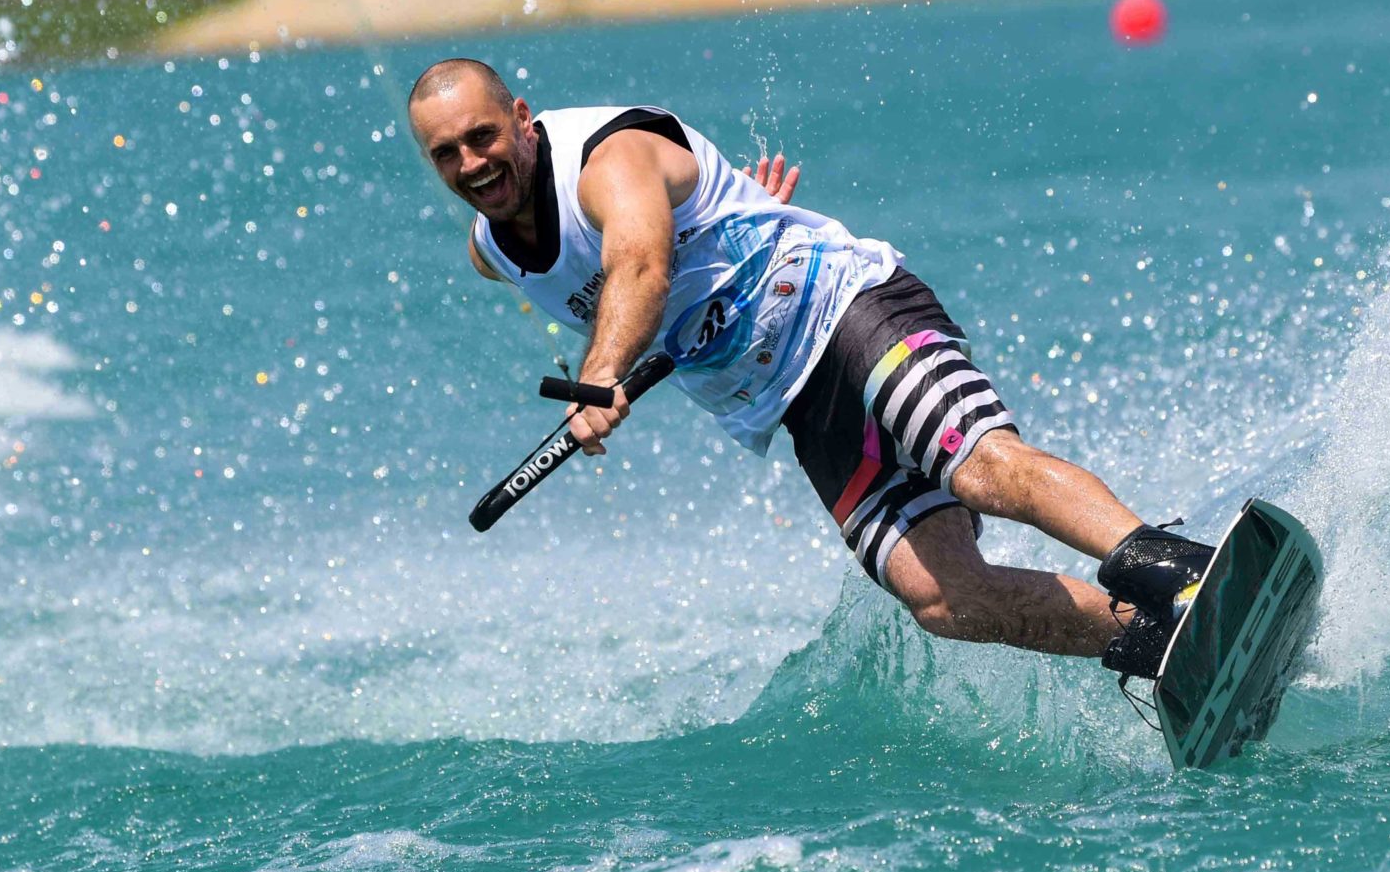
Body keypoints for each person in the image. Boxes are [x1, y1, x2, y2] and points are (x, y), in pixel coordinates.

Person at [406, 58, 1214, 682]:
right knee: (942, 597)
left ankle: (1186, 574)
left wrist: (602, 375)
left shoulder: (606, 158)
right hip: (794, 402)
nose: (472, 163)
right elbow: (642, 262)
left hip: (847, 310)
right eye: (447, 153)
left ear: (522, 118)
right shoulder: (491, 252)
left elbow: (641, 264)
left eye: (483, 136)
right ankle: (1158, 643)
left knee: (982, 469)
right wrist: (730, 209)